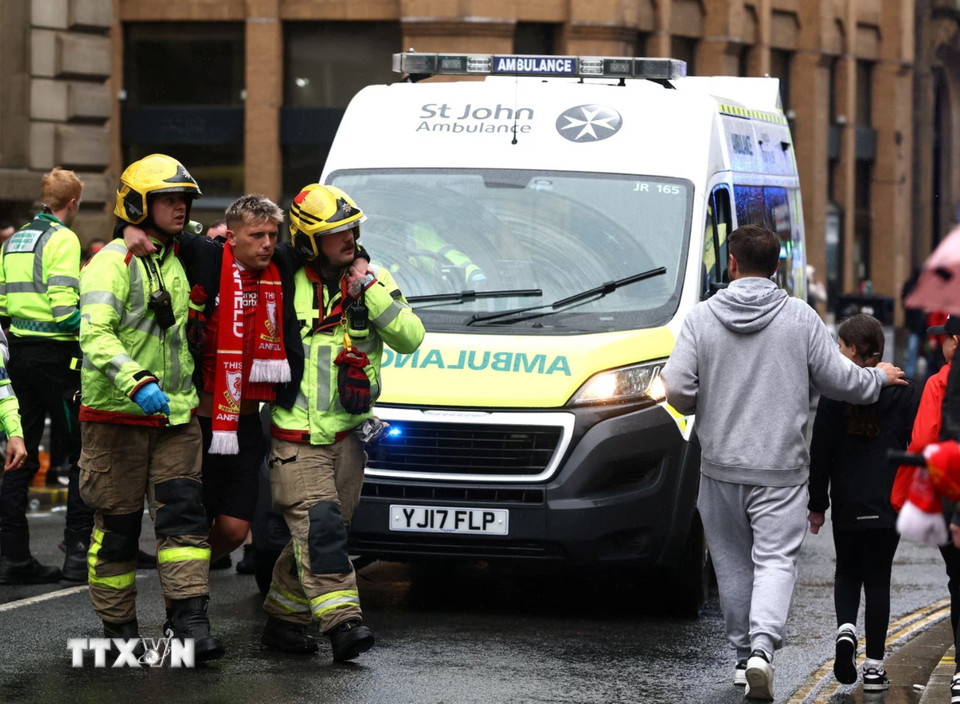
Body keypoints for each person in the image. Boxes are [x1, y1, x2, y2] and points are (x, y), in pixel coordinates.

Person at [661, 224, 907, 701]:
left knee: (732, 566)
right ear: (776, 267)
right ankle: (761, 651)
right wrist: (877, 376)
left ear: (731, 264)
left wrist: (698, 401)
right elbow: (842, 381)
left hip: (720, 468)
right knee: (775, 562)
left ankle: (740, 658)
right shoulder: (800, 318)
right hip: (780, 471)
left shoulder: (701, 319)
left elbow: (676, 388)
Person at [261, 183, 424, 662]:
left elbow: (410, 336)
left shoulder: (374, 276)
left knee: (319, 536)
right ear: (310, 240)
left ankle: (284, 620)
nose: (349, 237)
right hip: (297, 436)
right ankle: (344, 624)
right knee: (322, 530)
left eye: (352, 228)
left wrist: (367, 289)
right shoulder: (282, 276)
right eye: (336, 232)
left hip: (349, 438)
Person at [77, 153, 222, 661]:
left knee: (184, 524)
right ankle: (118, 631)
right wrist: (135, 381)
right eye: (168, 199)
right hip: (116, 419)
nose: (180, 206)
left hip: (175, 418)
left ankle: (190, 624)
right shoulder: (110, 262)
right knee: (116, 532)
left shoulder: (177, 254)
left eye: (184, 199)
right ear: (139, 205)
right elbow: (93, 333)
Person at [807, 314, 920, 691]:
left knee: (847, 572)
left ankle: (845, 633)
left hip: (847, 502)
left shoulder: (834, 394)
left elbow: (819, 453)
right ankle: (873, 668)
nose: (836, 352)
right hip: (888, 503)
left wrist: (817, 504)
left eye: (840, 346)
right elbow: (916, 445)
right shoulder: (903, 389)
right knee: (878, 580)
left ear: (853, 350)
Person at [0, 167, 94, 584]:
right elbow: (63, 310)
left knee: (19, 452)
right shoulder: (63, 238)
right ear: (71, 203)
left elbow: (4, 306)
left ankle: (13, 559)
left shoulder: (14, 240)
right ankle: (77, 553)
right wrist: (94, 322)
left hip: (18, 355)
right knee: (79, 452)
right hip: (58, 360)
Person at [892, 314, 960, 702]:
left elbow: (922, 439)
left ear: (954, 341)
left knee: (958, 581)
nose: (940, 347)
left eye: (944, 339)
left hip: (949, 497)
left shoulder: (939, 382)